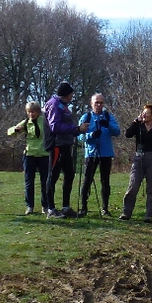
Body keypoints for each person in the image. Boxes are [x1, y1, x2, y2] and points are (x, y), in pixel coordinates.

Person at [44, 81, 89, 219]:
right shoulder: (54, 104)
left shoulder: (63, 106)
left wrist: (78, 130)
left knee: (69, 174)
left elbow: (66, 126)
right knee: (53, 176)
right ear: (66, 94)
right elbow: (55, 126)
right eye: (71, 94)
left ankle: (66, 207)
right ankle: (50, 209)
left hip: (66, 145)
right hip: (56, 145)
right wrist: (76, 128)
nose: (72, 96)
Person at [77, 93, 121, 217]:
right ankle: (84, 208)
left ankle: (105, 208)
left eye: (101, 102)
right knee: (87, 180)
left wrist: (108, 125)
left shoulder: (108, 116)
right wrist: (90, 135)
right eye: (96, 102)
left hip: (106, 153)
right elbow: (79, 136)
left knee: (105, 180)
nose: (99, 105)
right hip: (91, 153)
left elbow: (117, 132)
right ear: (91, 104)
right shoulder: (86, 117)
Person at [7, 101, 49, 214]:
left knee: (45, 182)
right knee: (29, 182)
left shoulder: (45, 121)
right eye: (29, 112)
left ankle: (45, 206)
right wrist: (16, 130)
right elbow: (9, 132)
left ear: (38, 112)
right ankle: (29, 206)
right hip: (30, 155)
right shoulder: (26, 122)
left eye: (33, 112)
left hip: (44, 155)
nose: (31, 114)